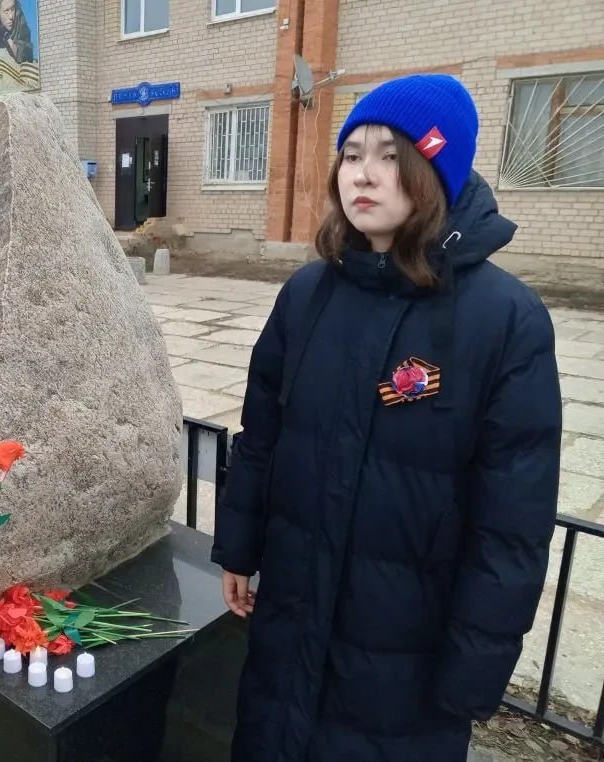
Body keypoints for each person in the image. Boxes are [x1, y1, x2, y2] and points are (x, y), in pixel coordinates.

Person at [212, 74, 562, 761]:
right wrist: (239, 546)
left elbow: (511, 527)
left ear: (434, 172)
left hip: (404, 667)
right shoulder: (309, 292)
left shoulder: (503, 321)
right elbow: (263, 437)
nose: (363, 175)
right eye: (352, 154)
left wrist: (476, 666)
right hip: (289, 633)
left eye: (391, 155)